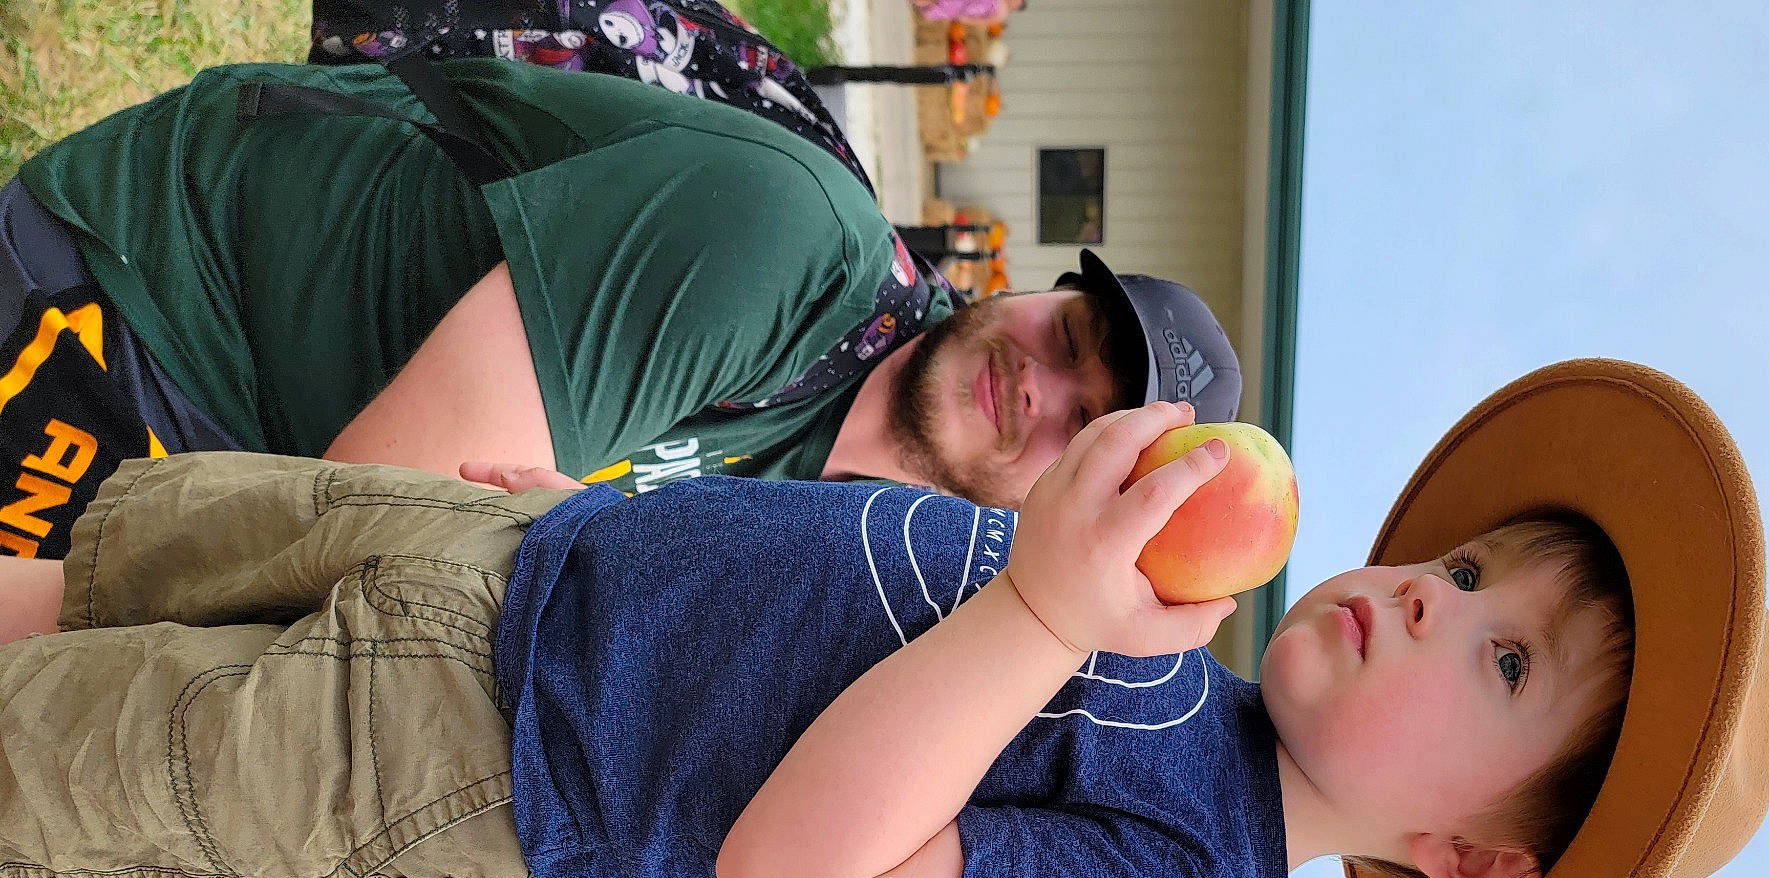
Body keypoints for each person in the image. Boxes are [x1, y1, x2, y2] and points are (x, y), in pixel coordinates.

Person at [0, 361, 1769, 878]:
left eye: (1499, 658)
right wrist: (586, 516)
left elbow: (811, 867)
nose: (1424, 589)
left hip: (483, 767)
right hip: (516, 569)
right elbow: (845, 631)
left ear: (1473, 862)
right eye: (1468, 567)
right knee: (103, 576)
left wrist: (1036, 606)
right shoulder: (1166, 644)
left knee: (46, 756)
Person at [0, 56, 1239, 560]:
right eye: (1070, 338)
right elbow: (348, 530)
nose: (1042, 384)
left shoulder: (852, 525)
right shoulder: (781, 243)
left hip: (251, 445)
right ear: (1033, 289)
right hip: (157, 302)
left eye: (1084, 428)